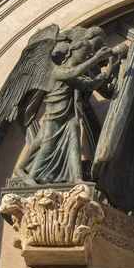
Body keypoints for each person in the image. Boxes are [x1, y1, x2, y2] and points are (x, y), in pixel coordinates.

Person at [15, 40, 114, 185]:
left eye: (88, 55)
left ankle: (76, 178)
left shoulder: (73, 77)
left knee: (74, 143)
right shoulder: (59, 71)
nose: (87, 57)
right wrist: (96, 58)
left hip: (69, 116)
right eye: (85, 53)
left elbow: (89, 85)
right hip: (54, 116)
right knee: (47, 146)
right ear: (73, 51)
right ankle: (31, 177)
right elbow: (73, 72)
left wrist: (110, 68)